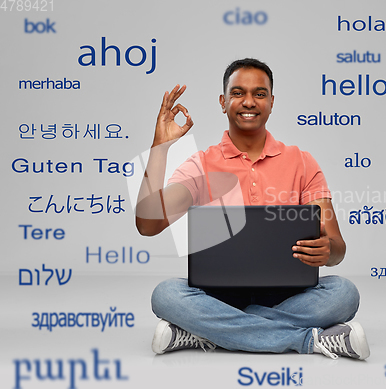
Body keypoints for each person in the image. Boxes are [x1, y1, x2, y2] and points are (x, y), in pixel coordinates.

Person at [135, 58, 370, 360]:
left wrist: (328, 250)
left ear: (272, 102)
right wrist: (160, 147)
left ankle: (203, 331)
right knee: (166, 295)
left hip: (288, 295)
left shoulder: (302, 161)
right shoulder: (201, 165)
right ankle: (310, 341)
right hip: (217, 295)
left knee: (344, 293)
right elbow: (148, 224)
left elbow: (338, 248)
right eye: (238, 93)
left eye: (260, 94)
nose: (249, 101)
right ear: (223, 102)